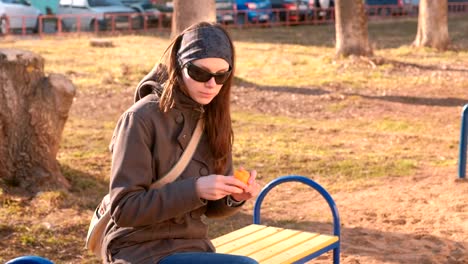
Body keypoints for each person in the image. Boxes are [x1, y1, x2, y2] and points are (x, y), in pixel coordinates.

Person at [101, 21, 261, 264]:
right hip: (139, 249)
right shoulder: (140, 119)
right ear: (178, 66)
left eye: (221, 76)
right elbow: (125, 209)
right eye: (200, 73)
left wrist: (235, 197)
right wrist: (195, 188)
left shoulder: (213, 119)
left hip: (192, 245)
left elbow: (212, 209)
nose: (211, 84)